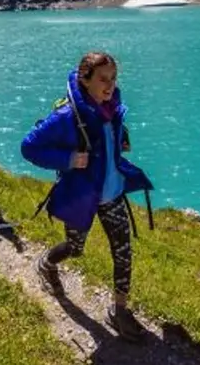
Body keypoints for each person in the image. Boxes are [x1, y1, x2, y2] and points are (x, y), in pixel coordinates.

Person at [21, 51, 154, 340]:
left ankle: (120, 311)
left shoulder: (112, 108)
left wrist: (121, 139)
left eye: (114, 78)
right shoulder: (68, 115)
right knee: (75, 247)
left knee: (123, 251)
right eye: (103, 79)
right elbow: (29, 148)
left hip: (112, 194)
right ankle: (46, 264)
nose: (110, 85)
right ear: (85, 80)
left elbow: (109, 138)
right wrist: (68, 159)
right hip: (82, 194)